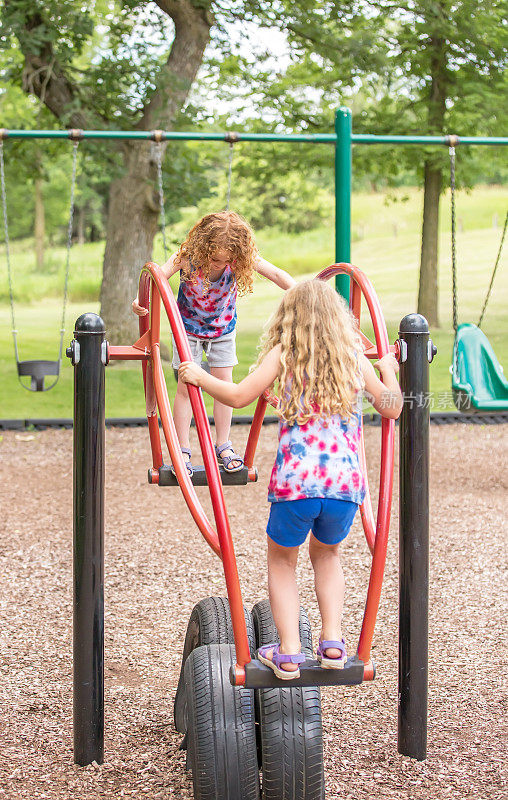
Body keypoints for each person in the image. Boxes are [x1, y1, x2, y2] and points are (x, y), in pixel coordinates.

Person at [178, 279, 403, 679]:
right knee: (328, 555)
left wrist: (198, 375)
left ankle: (289, 651)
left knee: (283, 560)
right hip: (344, 488)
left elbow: (237, 396)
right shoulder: (353, 355)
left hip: (296, 486)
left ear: (289, 318)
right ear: (338, 318)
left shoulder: (286, 353)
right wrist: (389, 371)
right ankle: (333, 643)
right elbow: (392, 408)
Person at [132, 211, 295, 475]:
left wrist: (304, 295)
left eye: (227, 260)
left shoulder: (241, 258)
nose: (220, 264)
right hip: (187, 329)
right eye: (214, 258)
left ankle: (223, 444)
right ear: (202, 246)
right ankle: (182, 449)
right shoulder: (186, 258)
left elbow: (276, 274)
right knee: (186, 387)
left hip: (223, 329)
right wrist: (140, 300)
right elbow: (157, 278)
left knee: (224, 385)